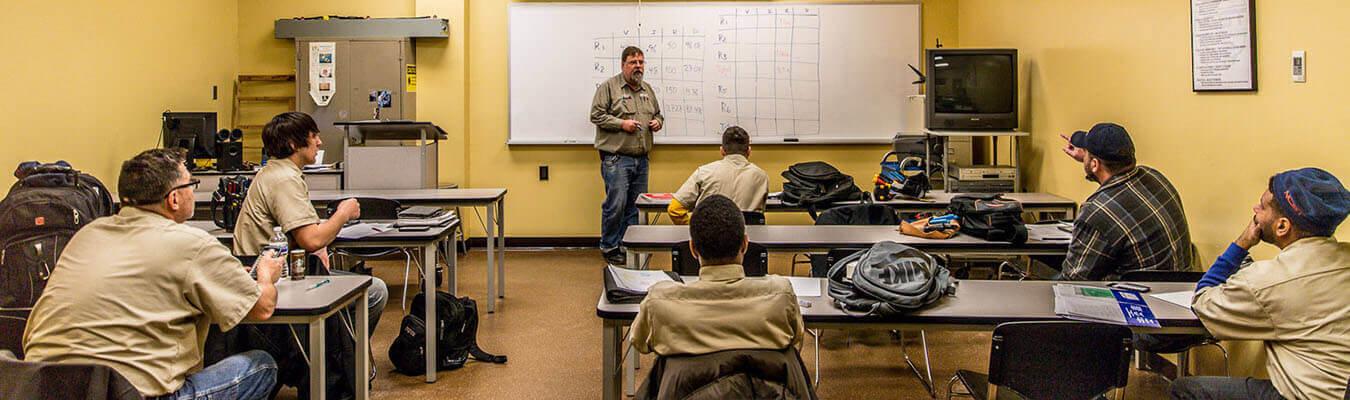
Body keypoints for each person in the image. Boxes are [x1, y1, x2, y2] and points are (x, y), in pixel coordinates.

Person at [23, 148, 281, 399]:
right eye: (192, 184)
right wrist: (266, 275)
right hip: (128, 393)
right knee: (261, 366)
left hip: (39, 386)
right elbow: (261, 308)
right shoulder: (192, 243)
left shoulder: (88, 234)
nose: (194, 190)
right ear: (174, 199)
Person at [1170, 168, 1350, 400]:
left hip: (1307, 396)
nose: (1255, 210)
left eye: (1262, 207)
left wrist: (1241, 243)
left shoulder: (1267, 282)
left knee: (1184, 389)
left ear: (1282, 226)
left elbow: (1203, 301)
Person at [233, 111, 387, 333]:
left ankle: (332, 351)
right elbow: (311, 240)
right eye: (313, 136)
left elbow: (306, 230)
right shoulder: (284, 179)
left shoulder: (277, 172)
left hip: (271, 270)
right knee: (375, 292)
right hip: (271, 277)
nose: (319, 142)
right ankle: (337, 360)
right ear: (294, 144)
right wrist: (343, 213)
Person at [629, 195, 805, 356]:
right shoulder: (781, 295)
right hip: (760, 391)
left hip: (688, 390)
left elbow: (639, 342)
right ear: (744, 245)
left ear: (693, 249)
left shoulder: (659, 301)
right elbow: (796, 335)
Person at [1055, 122, 1193, 280]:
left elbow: (1072, 281)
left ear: (1095, 164)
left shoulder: (1096, 213)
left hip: (1133, 298)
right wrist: (1090, 163)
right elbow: (1113, 181)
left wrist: (1091, 165)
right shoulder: (1156, 177)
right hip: (1179, 292)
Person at [591, 45, 664, 265]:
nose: (638, 67)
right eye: (633, 62)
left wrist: (657, 122)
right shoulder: (609, 87)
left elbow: (659, 114)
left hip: (641, 159)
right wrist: (622, 124)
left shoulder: (647, 89)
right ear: (623, 64)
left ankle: (630, 244)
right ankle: (610, 245)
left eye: (641, 62)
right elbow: (596, 115)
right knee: (616, 204)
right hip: (617, 159)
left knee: (636, 206)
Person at [667, 126, 768, 225]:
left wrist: (696, 229)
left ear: (722, 151)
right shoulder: (761, 176)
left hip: (707, 239)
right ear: (749, 151)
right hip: (746, 238)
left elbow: (674, 210)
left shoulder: (704, 172)